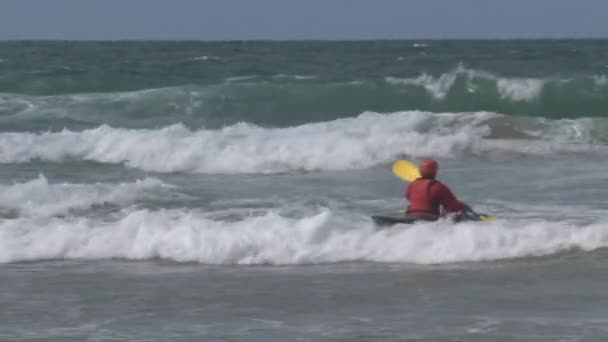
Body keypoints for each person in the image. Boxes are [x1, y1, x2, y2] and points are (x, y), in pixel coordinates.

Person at [404, 159, 471, 221]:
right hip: (428, 218)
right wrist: (465, 207)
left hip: (410, 216)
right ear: (435, 172)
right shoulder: (438, 186)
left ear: (420, 171)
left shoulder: (412, 185)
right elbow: (453, 207)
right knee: (461, 213)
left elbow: (408, 197)